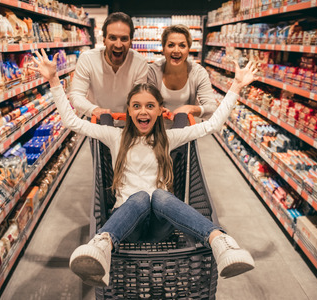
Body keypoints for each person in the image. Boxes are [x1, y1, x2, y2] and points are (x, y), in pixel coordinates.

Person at [30, 48, 258, 287]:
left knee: (159, 196)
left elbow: (211, 125)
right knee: (139, 198)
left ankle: (220, 242)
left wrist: (236, 87)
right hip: (127, 223)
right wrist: (54, 81)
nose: (143, 111)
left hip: (162, 224)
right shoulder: (113, 136)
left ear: (160, 111)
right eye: (136, 106)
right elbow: (72, 121)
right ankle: (102, 245)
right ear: (129, 110)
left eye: (150, 106)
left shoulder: (170, 138)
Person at [69, 12, 148, 119]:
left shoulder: (139, 62)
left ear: (131, 42)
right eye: (112, 38)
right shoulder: (87, 59)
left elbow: (139, 97)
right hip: (97, 121)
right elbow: (76, 95)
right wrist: (94, 110)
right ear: (104, 39)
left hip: (128, 123)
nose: (118, 44)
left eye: (124, 39)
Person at [148, 24, 217, 121]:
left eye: (182, 45)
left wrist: (192, 109)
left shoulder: (198, 72)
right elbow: (146, 102)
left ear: (188, 49)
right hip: (157, 130)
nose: (176, 50)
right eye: (171, 45)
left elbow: (211, 107)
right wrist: (155, 108)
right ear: (163, 48)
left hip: (186, 130)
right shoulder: (153, 71)